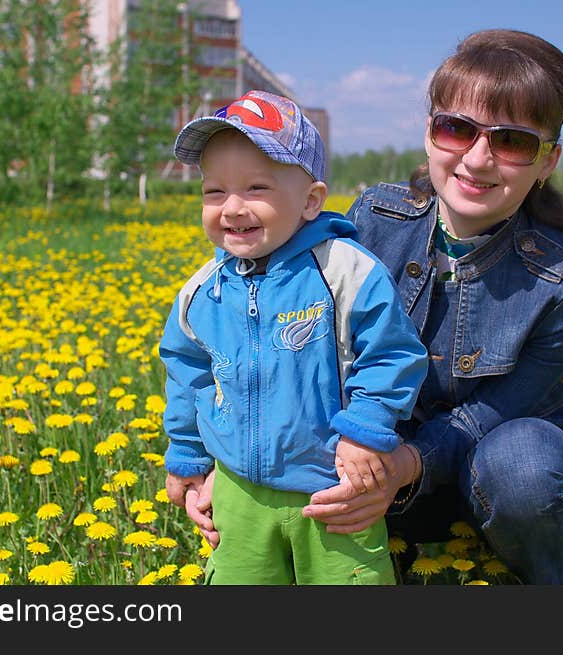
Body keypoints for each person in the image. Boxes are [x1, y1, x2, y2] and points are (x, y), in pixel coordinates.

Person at [181, 30, 563, 586]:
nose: (478, 158)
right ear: (430, 133)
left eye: (512, 142)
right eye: (457, 128)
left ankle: (530, 574)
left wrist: (406, 465)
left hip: (476, 467)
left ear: (547, 161)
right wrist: (240, 469)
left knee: (526, 467)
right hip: (366, 464)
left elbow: (497, 410)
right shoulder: (372, 220)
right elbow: (281, 351)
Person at [159, 90, 428, 585]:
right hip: (238, 492)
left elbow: (393, 353)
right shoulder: (202, 292)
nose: (232, 207)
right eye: (213, 191)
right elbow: (187, 373)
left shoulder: (345, 271)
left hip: (333, 489)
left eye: (256, 187)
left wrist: (365, 430)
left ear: (310, 200)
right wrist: (187, 456)